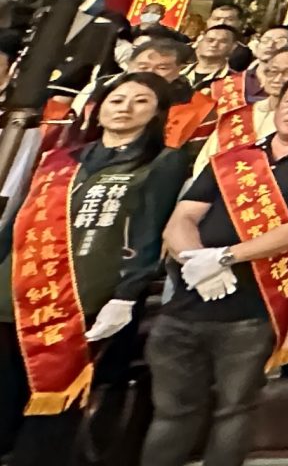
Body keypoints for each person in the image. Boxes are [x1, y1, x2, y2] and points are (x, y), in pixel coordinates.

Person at [144, 71, 288, 466]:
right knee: (172, 410)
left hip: (254, 308)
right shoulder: (235, 158)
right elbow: (182, 217)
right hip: (187, 300)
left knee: (235, 408)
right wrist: (198, 261)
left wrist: (225, 258)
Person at [0, 73, 184, 461]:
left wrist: (126, 294)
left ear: (157, 114)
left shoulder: (164, 161)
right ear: (98, 109)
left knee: (54, 399)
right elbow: (19, 219)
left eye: (140, 101)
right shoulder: (60, 159)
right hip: (17, 286)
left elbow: (149, 232)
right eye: (116, 100)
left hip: (85, 293)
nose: (125, 108)